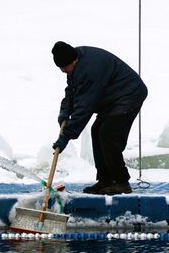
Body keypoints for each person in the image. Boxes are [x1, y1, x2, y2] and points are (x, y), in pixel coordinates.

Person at [51, 41, 148, 195]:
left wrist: (66, 135)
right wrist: (64, 111)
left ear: (73, 61)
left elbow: (84, 106)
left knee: (108, 134)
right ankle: (105, 180)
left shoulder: (89, 70)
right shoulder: (75, 65)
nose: (62, 70)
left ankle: (121, 182)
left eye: (64, 67)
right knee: (97, 130)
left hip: (128, 94)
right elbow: (72, 91)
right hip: (112, 97)